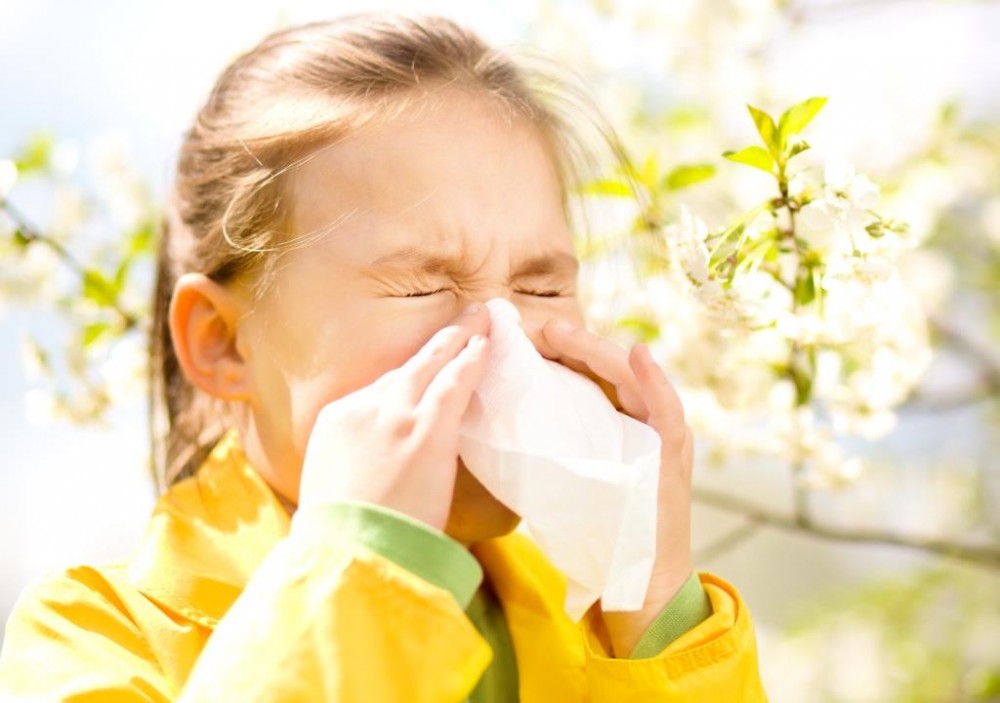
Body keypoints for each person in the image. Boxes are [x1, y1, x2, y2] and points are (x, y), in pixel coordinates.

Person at [0, 14, 767, 702]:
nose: (504, 344)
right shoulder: (93, 638)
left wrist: (657, 607)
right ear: (224, 342)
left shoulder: (589, 624)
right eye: (420, 287)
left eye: (541, 286)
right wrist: (364, 567)